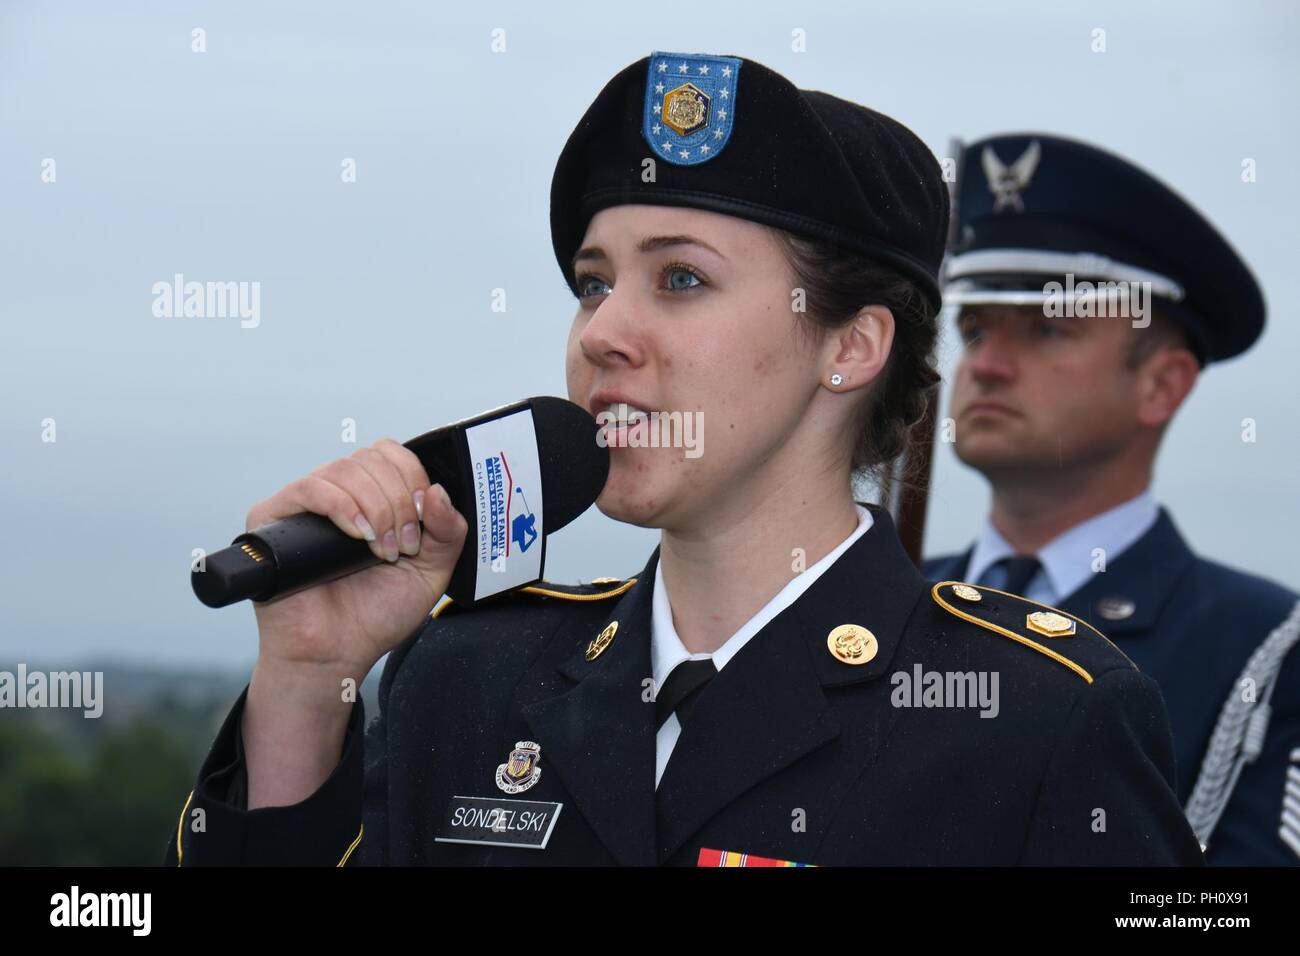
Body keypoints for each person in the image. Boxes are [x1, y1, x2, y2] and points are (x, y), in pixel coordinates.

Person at [165, 54, 1202, 866]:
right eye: (592, 281)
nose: (602, 331)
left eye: (683, 281)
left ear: (850, 346)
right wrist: (309, 680)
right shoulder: (466, 675)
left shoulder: (1035, 713)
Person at [926, 132, 1300, 865]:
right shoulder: (880, 597)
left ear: (1161, 384)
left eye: (1046, 329)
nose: (988, 365)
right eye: (974, 330)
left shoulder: (1268, 651)